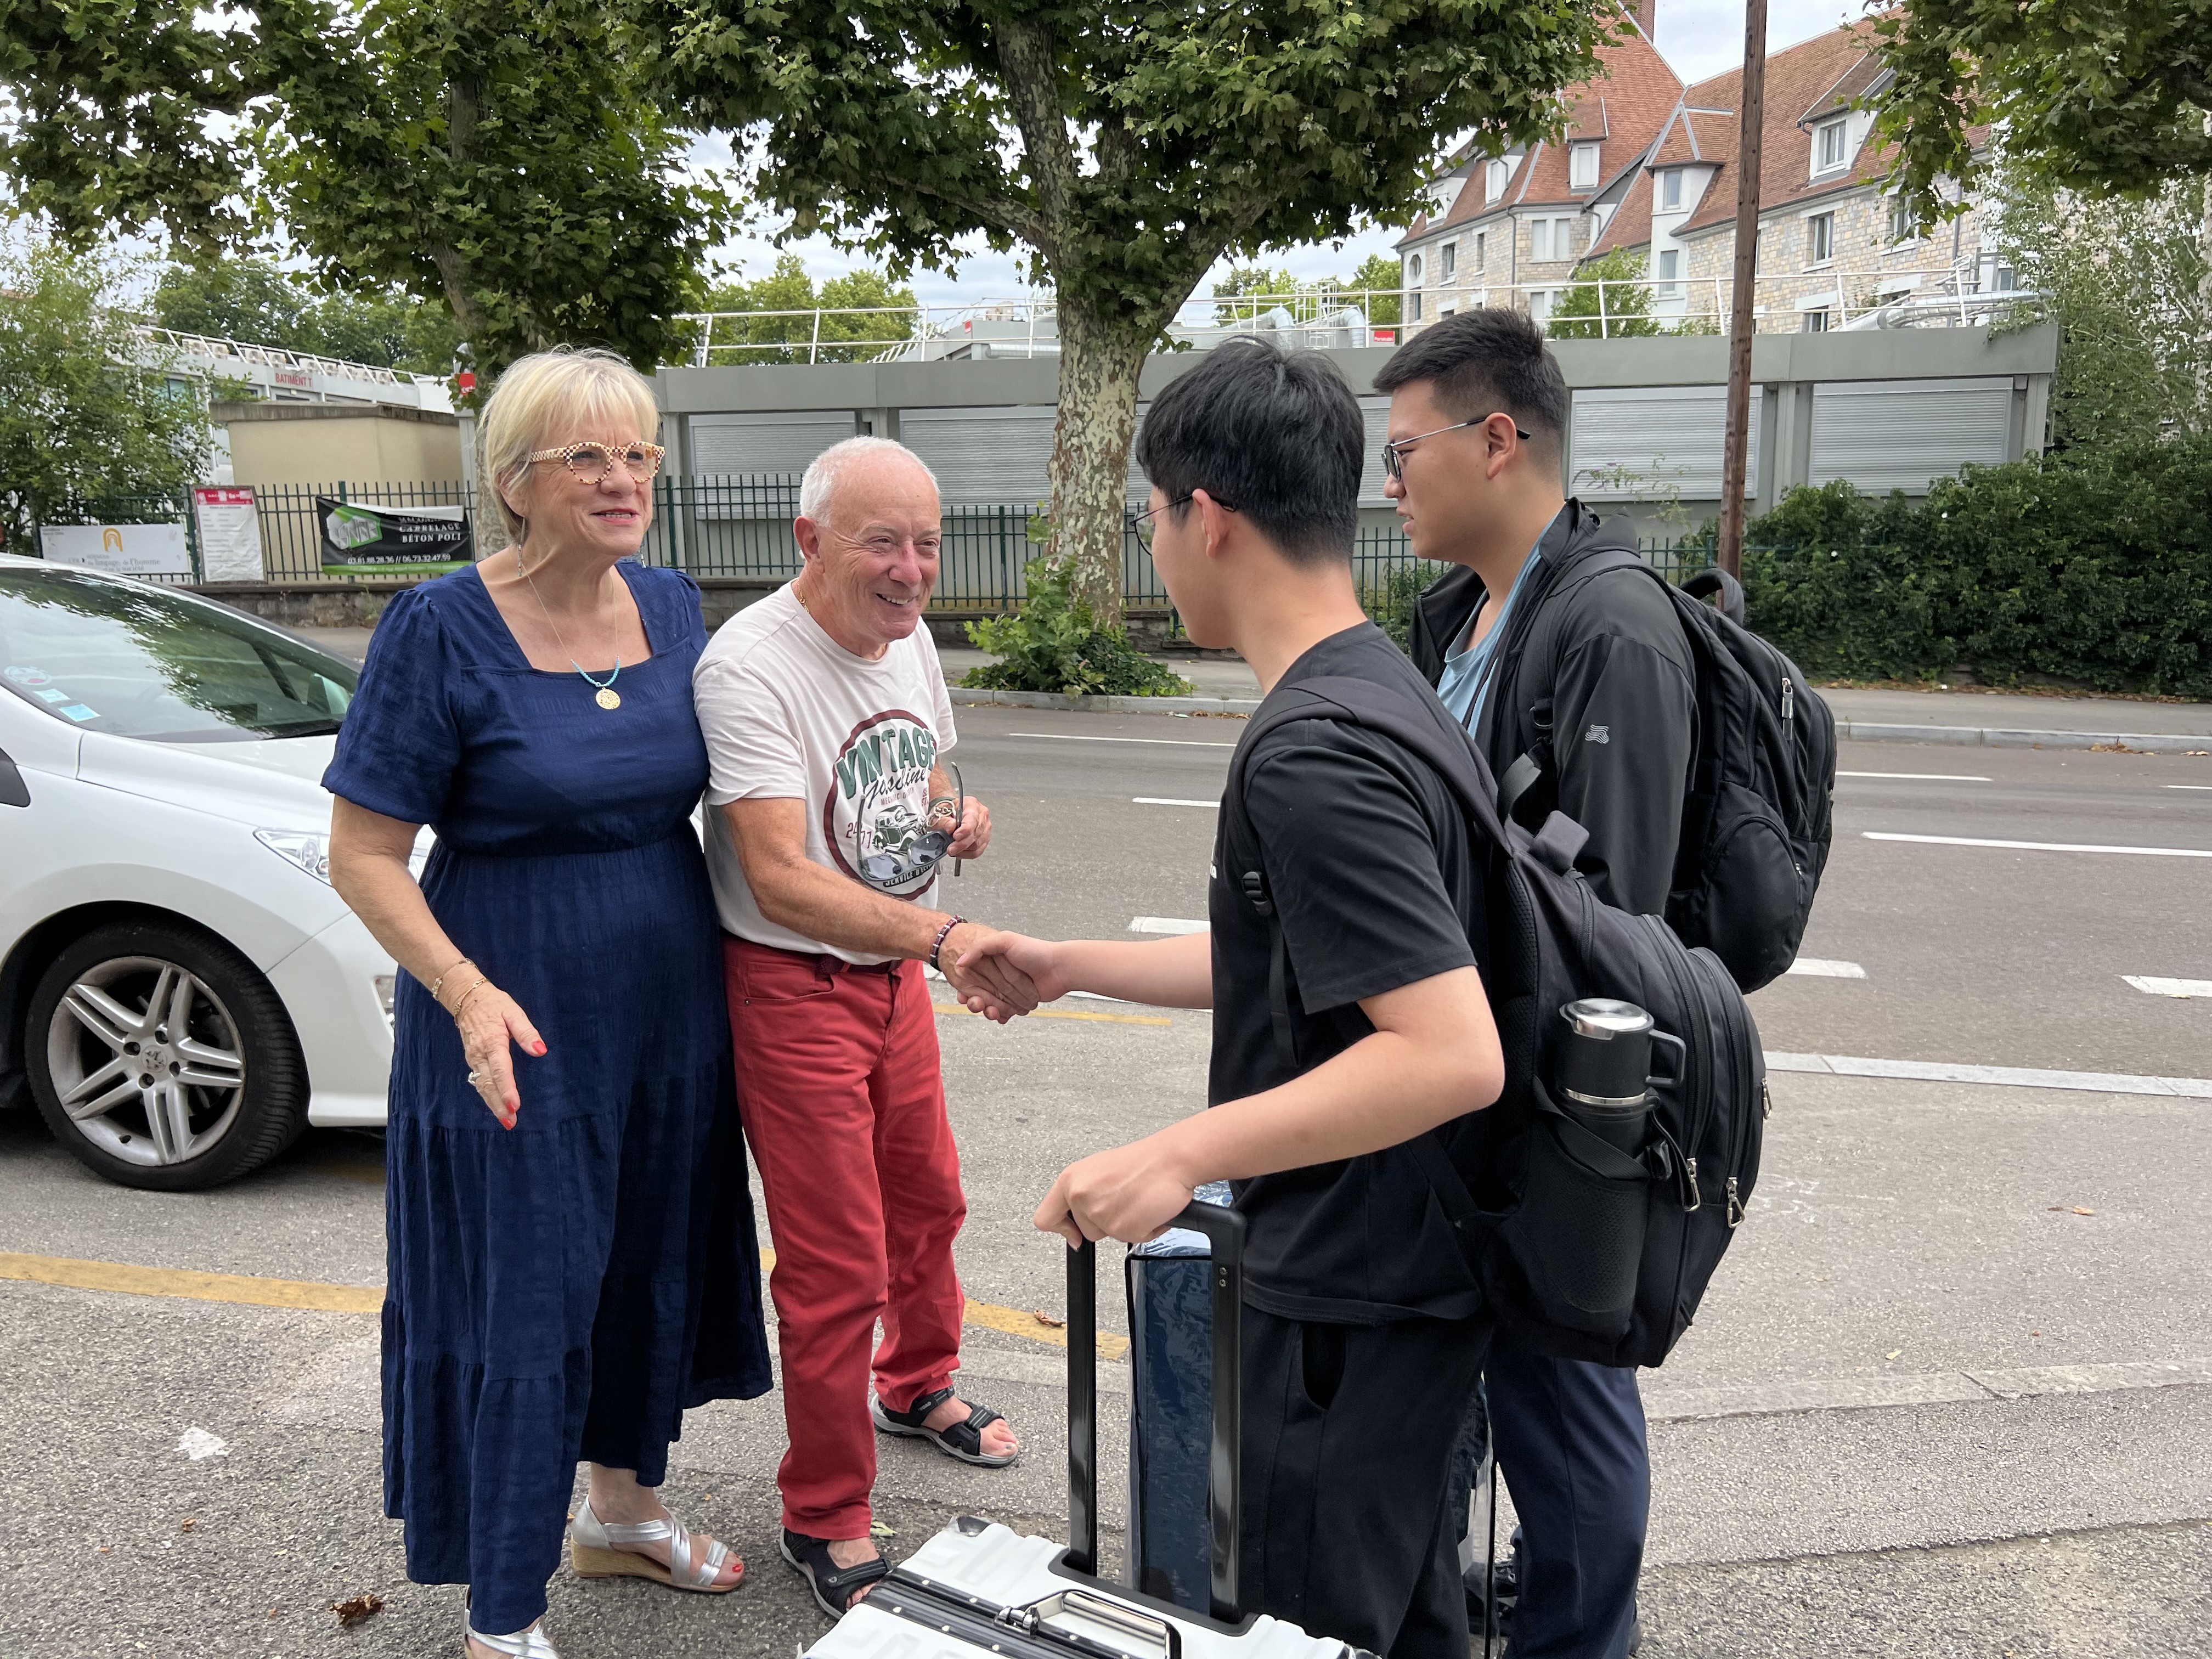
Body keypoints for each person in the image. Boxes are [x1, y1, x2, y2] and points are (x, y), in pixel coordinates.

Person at [958, 341, 1508, 1659]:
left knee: (1300, 1622)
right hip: (1409, 1272)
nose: (1156, 546)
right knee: (1401, 1614)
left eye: (1152, 515)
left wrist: (1173, 1154)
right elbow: (1323, 963)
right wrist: (1072, 962)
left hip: (1343, 1300)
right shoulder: (1385, 687)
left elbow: (1449, 1050)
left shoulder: (1313, 753)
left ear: (1205, 516)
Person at [326, 347, 773, 1659]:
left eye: (637, 452)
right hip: (510, 1003)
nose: (622, 478)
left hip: (667, 1001)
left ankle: (620, 1512)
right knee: (523, 1289)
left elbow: (759, 781)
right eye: (586, 456)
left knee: (644, 1251)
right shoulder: (439, 627)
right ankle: (502, 1608)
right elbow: (364, 854)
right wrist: (464, 994)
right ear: (516, 482)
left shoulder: (674, 606)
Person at [1373, 306, 1699, 1659]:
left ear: (1496, 439)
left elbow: (1611, 911)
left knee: (1565, 1392)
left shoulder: (1611, 622)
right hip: (1472, 1071)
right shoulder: (1467, 612)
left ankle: (1580, 1639)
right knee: (1502, 1381)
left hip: (1560, 1098)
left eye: (1404, 452)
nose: (1391, 483)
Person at [691, 436, 1037, 1621]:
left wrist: (958, 814)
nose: (911, 570)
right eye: (882, 543)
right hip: (795, 987)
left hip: (893, 973)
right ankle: (824, 1508)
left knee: (929, 1201)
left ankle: (917, 1383)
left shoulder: (907, 635)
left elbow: (929, 774)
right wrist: (944, 937)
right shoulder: (750, 666)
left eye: (926, 544)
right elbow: (779, 877)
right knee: (836, 1261)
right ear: (810, 541)